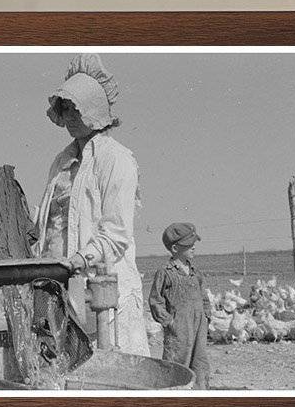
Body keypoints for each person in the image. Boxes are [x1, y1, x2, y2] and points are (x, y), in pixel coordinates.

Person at [35, 54, 150, 357]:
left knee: (112, 369)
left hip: (104, 290)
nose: (69, 116)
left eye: (76, 108)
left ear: (94, 110)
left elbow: (116, 233)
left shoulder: (116, 159)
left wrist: (79, 259)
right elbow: (48, 223)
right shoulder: (61, 162)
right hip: (64, 289)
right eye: (65, 108)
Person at [148, 222, 212, 389]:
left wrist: (206, 315)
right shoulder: (166, 272)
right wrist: (169, 322)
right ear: (175, 249)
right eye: (189, 245)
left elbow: (204, 296)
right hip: (178, 329)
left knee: (199, 361)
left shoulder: (196, 273)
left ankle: (200, 396)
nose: (193, 247)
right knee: (177, 362)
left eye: (194, 244)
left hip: (199, 325)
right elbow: (155, 300)